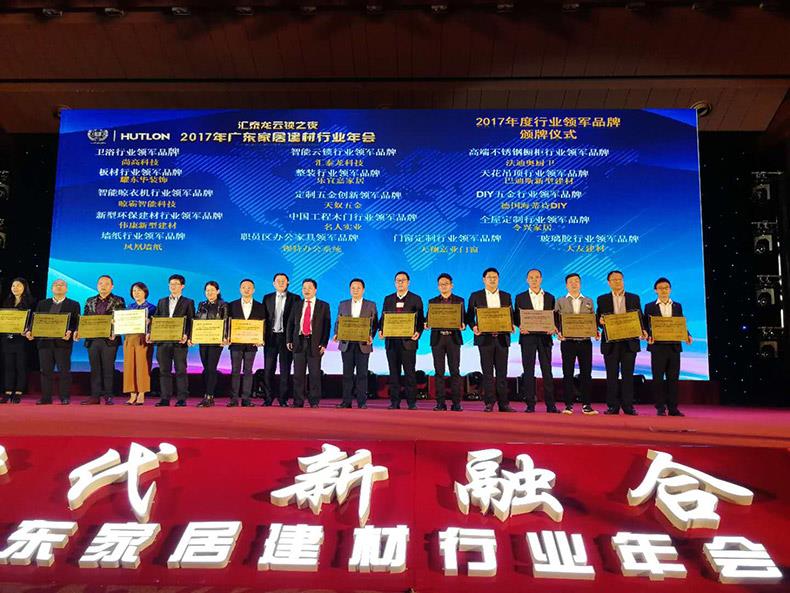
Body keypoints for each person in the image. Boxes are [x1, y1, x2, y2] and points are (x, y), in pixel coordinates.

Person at [596, 270, 646, 416]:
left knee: (628, 375)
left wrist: (643, 330)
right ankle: (613, 406)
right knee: (611, 376)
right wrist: (600, 321)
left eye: (620, 279)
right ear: (609, 283)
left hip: (629, 342)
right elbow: (598, 318)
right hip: (610, 343)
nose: (617, 282)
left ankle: (628, 406)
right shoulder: (602, 299)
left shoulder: (634, 298)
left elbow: (640, 317)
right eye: (614, 280)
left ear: (623, 281)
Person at [466, 267, 515, 413]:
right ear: (484, 280)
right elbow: (469, 316)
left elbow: (510, 315)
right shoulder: (476, 296)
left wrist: (511, 325)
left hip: (502, 339)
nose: (492, 280)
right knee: (487, 373)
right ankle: (489, 403)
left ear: (498, 279)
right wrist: (474, 327)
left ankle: (504, 404)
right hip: (484, 339)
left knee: (502, 372)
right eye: (489, 277)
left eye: (495, 277)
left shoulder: (506, 296)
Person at [644, 277, 692, 417]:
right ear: (655, 290)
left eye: (666, 288)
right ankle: (660, 407)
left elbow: (680, 323)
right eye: (660, 288)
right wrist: (647, 336)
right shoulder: (649, 306)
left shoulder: (677, 306)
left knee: (673, 378)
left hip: (674, 347)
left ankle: (673, 408)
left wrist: (687, 335)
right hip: (657, 347)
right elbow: (646, 325)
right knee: (658, 378)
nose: (664, 290)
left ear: (670, 289)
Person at [27, 279, 80, 405]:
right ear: (51, 289)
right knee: (45, 371)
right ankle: (46, 398)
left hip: (63, 343)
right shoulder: (43, 303)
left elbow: (76, 323)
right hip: (44, 343)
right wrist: (30, 331)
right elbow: (36, 320)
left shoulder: (73, 304)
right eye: (56, 285)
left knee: (64, 371)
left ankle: (64, 397)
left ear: (66, 289)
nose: (59, 287)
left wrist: (71, 331)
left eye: (62, 285)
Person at [379, 271, 424, 410]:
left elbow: (420, 320)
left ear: (408, 282)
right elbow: (383, 318)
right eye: (398, 280)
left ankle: (411, 402)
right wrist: (381, 330)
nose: (400, 283)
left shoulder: (416, 299)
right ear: (394, 283)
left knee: (410, 373)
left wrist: (418, 332)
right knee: (394, 373)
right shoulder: (388, 299)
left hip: (408, 342)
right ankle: (394, 402)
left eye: (403, 280)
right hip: (392, 342)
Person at [515, 269, 558, 413]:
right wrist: (520, 326)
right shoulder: (520, 297)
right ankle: (530, 404)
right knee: (528, 370)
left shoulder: (550, 297)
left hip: (545, 338)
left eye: (537, 277)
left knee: (547, 371)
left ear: (541, 279)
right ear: (527, 280)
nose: (534, 280)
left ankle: (551, 405)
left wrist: (554, 327)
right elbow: (516, 317)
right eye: (531, 277)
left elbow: (554, 317)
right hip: (527, 338)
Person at [554, 273, 598, 415]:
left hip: (585, 342)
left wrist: (596, 331)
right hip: (568, 343)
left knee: (586, 373)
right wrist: (558, 332)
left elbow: (592, 320)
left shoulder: (589, 301)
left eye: (576, 281)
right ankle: (568, 405)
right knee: (567, 373)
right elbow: (555, 320)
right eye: (571, 282)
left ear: (580, 284)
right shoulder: (560, 301)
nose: (574, 284)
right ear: (566, 285)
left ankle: (587, 404)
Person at [78, 275, 125, 405]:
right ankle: (95, 396)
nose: (103, 286)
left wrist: (115, 331)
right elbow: (85, 318)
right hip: (92, 339)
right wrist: (81, 331)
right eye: (100, 283)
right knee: (95, 369)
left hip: (109, 340)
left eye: (106, 284)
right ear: (97, 285)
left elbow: (121, 319)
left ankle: (108, 396)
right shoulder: (90, 300)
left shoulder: (118, 300)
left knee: (108, 368)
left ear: (112, 286)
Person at [333, 278, 378, 409]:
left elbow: (375, 324)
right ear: (349, 290)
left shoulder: (371, 305)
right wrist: (336, 333)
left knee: (362, 374)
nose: (355, 290)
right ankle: (346, 402)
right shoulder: (343, 304)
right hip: (346, 343)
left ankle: (362, 402)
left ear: (363, 290)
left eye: (358, 288)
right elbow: (338, 322)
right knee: (347, 374)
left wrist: (371, 336)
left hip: (363, 344)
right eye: (353, 288)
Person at [286, 279, 331, 408]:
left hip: (315, 342)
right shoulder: (297, 304)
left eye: (309, 288)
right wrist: (289, 340)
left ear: (315, 290)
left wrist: (324, 343)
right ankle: (298, 401)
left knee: (314, 374)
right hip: (299, 341)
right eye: (304, 288)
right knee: (298, 374)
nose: (306, 290)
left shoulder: (323, 305)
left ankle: (314, 401)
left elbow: (327, 326)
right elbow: (290, 323)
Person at [152, 274, 195, 407]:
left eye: (176, 284)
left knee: (181, 370)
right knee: (164, 371)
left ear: (182, 286)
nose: (173, 286)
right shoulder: (162, 301)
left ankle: (182, 398)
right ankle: (165, 398)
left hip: (179, 342)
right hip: (163, 342)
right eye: (171, 284)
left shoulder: (188, 302)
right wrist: (151, 333)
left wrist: (187, 335)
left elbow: (191, 321)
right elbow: (156, 319)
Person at [426, 273, 465, 411]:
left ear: (451, 285)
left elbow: (463, 319)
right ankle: (440, 403)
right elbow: (428, 318)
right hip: (438, 339)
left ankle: (456, 403)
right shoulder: (432, 301)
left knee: (455, 371)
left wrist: (463, 325)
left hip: (453, 339)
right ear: (438, 287)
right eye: (441, 284)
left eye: (446, 284)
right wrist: (426, 323)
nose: (443, 286)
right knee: (439, 372)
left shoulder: (460, 300)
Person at [262, 273, 298, 407]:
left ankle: (283, 399)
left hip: (286, 339)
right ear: (273, 283)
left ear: (288, 282)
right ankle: (268, 398)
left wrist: (292, 339)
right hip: (270, 338)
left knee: (285, 370)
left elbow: (295, 321)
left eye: (283, 281)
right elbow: (264, 319)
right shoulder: (267, 298)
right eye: (278, 281)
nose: (281, 283)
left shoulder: (295, 298)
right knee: (268, 369)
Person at [228, 279, 265, 407]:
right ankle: (234, 399)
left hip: (252, 344)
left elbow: (263, 324)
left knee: (248, 371)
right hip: (236, 343)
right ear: (240, 289)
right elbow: (228, 324)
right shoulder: (231, 305)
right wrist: (227, 337)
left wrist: (261, 339)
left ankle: (246, 399)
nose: (246, 289)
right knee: (235, 371)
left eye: (249, 287)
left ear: (253, 290)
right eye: (244, 287)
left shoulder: (260, 306)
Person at [194, 281, 228, 408]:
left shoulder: (223, 304)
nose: (210, 293)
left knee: (211, 368)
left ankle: (209, 395)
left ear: (218, 291)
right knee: (206, 368)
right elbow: (197, 321)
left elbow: (226, 321)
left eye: (212, 290)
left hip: (216, 340)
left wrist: (225, 337)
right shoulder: (201, 304)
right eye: (207, 290)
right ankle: (207, 395)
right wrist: (193, 337)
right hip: (203, 339)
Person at [122, 282, 157, 406]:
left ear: (145, 292)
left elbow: (156, 324)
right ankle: (132, 394)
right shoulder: (128, 308)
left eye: (139, 291)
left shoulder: (152, 308)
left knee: (143, 366)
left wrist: (149, 322)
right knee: (129, 366)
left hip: (143, 339)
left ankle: (141, 393)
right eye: (134, 291)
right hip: (129, 338)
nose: (136, 293)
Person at [1, 278, 35, 403]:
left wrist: (28, 330)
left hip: (23, 340)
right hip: (8, 338)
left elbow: (33, 320)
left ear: (25, 287)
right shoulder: (7, 302)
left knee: (20, 366)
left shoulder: (31, 303)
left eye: (18, 285)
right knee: (8, 366)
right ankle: (8, 392)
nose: (15, 288)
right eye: (13, 286)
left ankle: (19, 392)